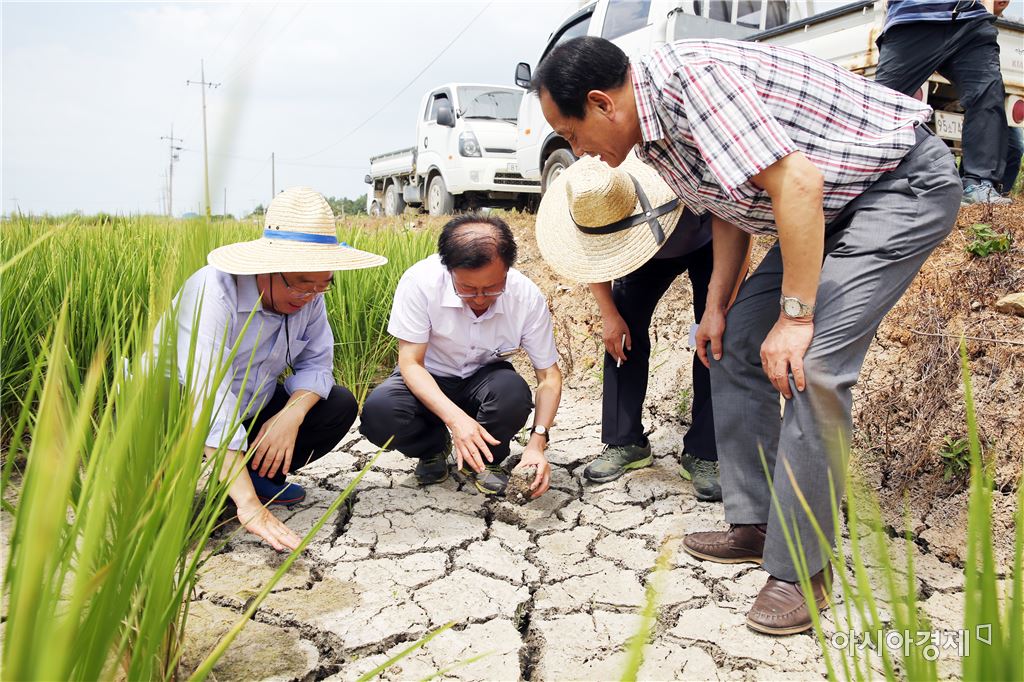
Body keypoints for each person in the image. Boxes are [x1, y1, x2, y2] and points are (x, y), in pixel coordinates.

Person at [531, 36, 961, 635]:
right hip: (823, 206)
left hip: (894, 187)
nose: (577, 151)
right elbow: (730, 205)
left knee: (810, 364)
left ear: (602, 103)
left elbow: (799, 184)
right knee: (732, 345)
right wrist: (715, 304)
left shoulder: (695, 84)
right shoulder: (650, 133)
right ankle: (758, 522)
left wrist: (796, 316)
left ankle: (802, 569)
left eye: (571, 134)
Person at [160, 186, 387, 551]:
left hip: (247, 404)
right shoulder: (213, 292)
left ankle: (249, 477)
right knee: (166, 516)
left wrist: (291, 415)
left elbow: (317, 363)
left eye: (322, 285)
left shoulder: (310, 296)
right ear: (268, 268)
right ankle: (218, 490)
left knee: (337, 404)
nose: (310, 295)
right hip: (174, 411)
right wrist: (250, 509)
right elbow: (207, 397)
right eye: (300, 285)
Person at [534, 152, 731, 501]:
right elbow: (593, 254)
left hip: (713, 238)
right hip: (640, 247)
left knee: (716, 337)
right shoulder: (601, 189)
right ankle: (625, 442)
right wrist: (610, 316)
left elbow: (738, 228)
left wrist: (715, 310)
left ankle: (704, 451)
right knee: (622, 333)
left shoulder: (690, 168)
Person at [360, 215, 562, 498]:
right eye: (468, 289)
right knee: (380, 413)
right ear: (449, 269)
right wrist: (455, 421)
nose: (480, 298)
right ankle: (433, 448)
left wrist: (537, 442)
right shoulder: (420, 282)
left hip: (485, 379)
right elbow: (410, 363)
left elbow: (548, 376)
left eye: (492, 288)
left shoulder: (526, 296)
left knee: (512, 393)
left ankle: (486, 460)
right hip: (429, 377)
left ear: (507, 269)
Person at [874, 0, 1010, 205]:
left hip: (971, 19)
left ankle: (980, 182)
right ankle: (866, 180)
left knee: (987, 93)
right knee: (882, 105)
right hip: (913, 19)